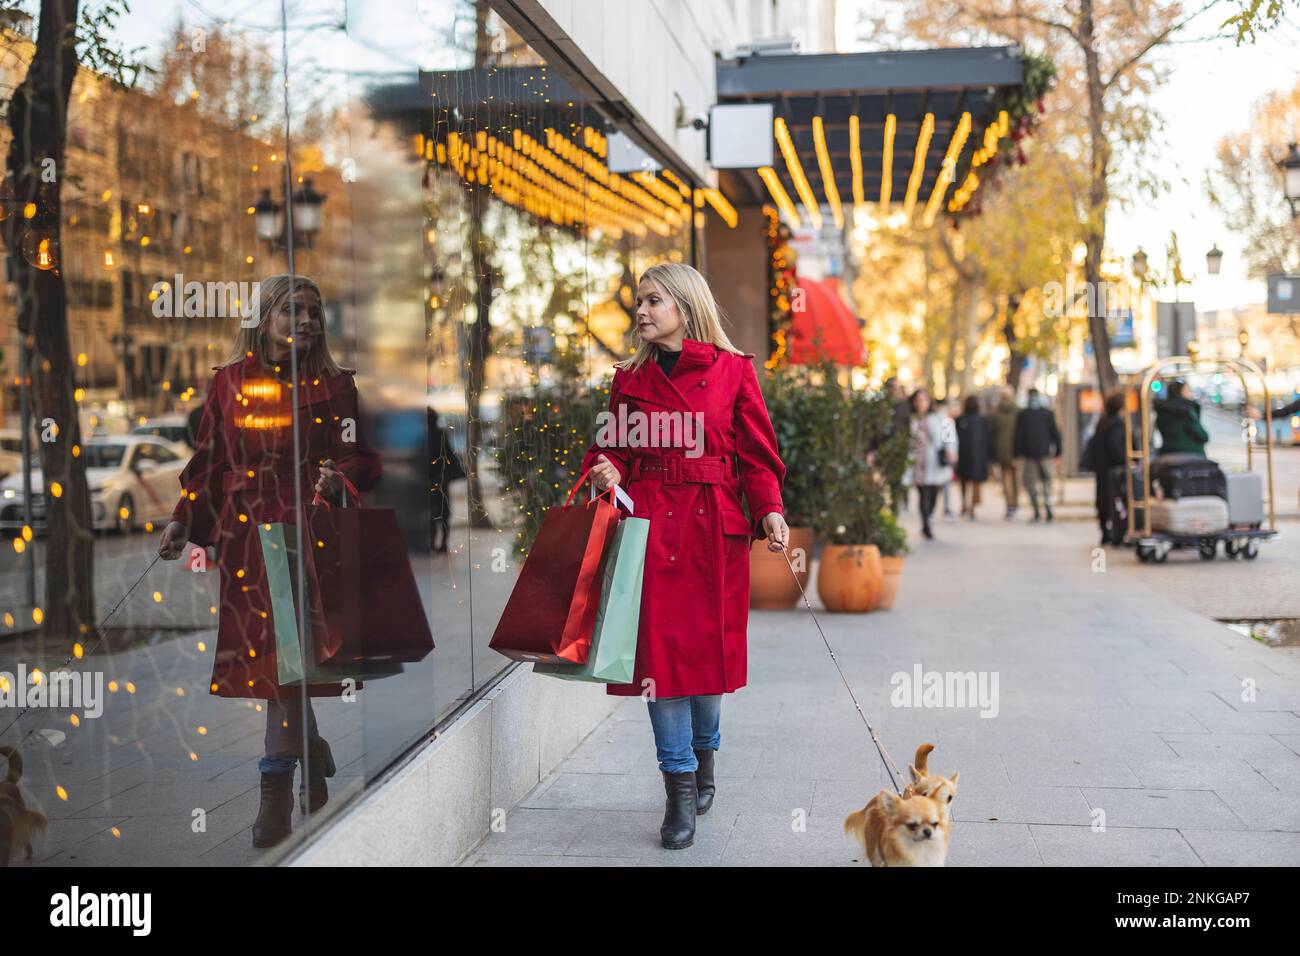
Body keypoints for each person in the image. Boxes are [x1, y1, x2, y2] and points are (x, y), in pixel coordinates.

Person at [157, 274, 382, 849]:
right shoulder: (229, 382)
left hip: (309, 533)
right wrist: (185, 520)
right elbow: (207, 461)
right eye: (292, 312)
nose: (306, 322)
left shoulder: (336, 386)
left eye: (313, 312)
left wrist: (340, 476)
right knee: (274, 657)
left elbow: (362, 458)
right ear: (263, 319)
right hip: (246, 534)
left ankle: (274, 790)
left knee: (288, 657)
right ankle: (306, 750)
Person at [583, 262, 788, 851]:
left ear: (685, 307)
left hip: (711, 529)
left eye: (653, 301)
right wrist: (606, 467)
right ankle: (677, 789)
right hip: (651, 528)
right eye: (639, 302)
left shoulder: (733, 372)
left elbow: (757, 453)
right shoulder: (628, 380)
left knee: (706, 660)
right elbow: (611, 447)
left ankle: (705, 759)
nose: (641, 311)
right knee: (661, 663)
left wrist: (769, 508)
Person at [904, 388, 957, 540]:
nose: (920, 404)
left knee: (933, 491)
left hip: (934, 460)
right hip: (917, 461)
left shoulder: (939, 417)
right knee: (922, 493)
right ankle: (926, 523)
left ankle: (929, 515)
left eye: (923, 400)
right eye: (917, 401)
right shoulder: (911, 419)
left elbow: (949, 434)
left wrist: (951, 450)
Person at [1082, 391, 1129, 546]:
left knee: (1102, 500)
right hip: (1113, 469)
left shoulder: (1102, 421)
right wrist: (1126, 459)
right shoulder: (1116, 423)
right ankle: (1117, 533)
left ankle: (1105, 532)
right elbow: (1115, 447)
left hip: (1101, 467)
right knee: (1114, 500)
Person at [1014, 387, 1061, 522]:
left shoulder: (1023, 414)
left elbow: (1018, 436)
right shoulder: (1047, 413)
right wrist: (1058, 452)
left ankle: (1036, 510)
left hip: (1029, 455)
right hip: (1044, 453)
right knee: (1047, 481)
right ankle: (1047, 504)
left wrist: (1017, 454)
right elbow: (1056, 434)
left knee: (1031, 483)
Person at [955, 394, 992, 519]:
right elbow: (988, 439)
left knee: (965, 482)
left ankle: (967, 505)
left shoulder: (961, 419)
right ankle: (970, 506)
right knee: (975, 482)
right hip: (977, 456)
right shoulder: (980, 419)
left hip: (966, 454)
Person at [1154, 379, 1209, 456]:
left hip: (1167, 452)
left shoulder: (1162, 409)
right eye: (1188, 390)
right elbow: (1203, 436)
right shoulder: (1187, 410)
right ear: (1181, 392)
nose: (1191, 393)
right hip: (1191, 455)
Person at [990, 387, 1020, 519]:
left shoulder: (996, 413)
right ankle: (1015, 502)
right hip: (1017, 449)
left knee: (1006, 478)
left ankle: (1010, 506)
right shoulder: (1019, 411)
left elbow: (992, 433)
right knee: (1016, 478)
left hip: (1001, 450)